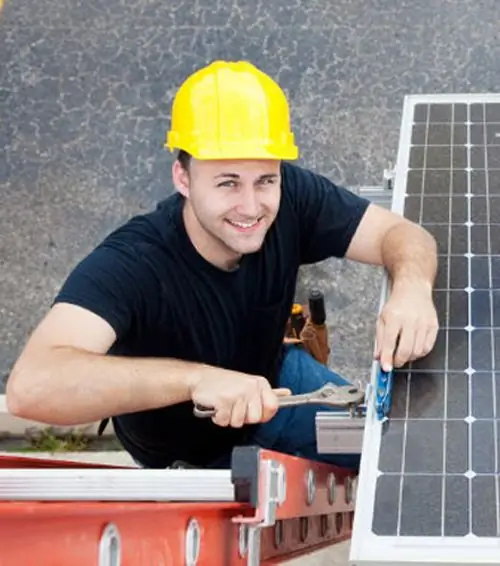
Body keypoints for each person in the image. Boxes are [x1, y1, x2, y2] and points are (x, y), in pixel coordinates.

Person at [6, 60, 439, 471]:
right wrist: (197, 381)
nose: (251, 207)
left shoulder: (292, 197)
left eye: (265, 180)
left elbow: (400, 235)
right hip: (190, 457)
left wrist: (412, 289)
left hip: (281, 387)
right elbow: (33, 387)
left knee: (404, 456)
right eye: (227, 183)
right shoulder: (134, 264)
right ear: (183, 178)